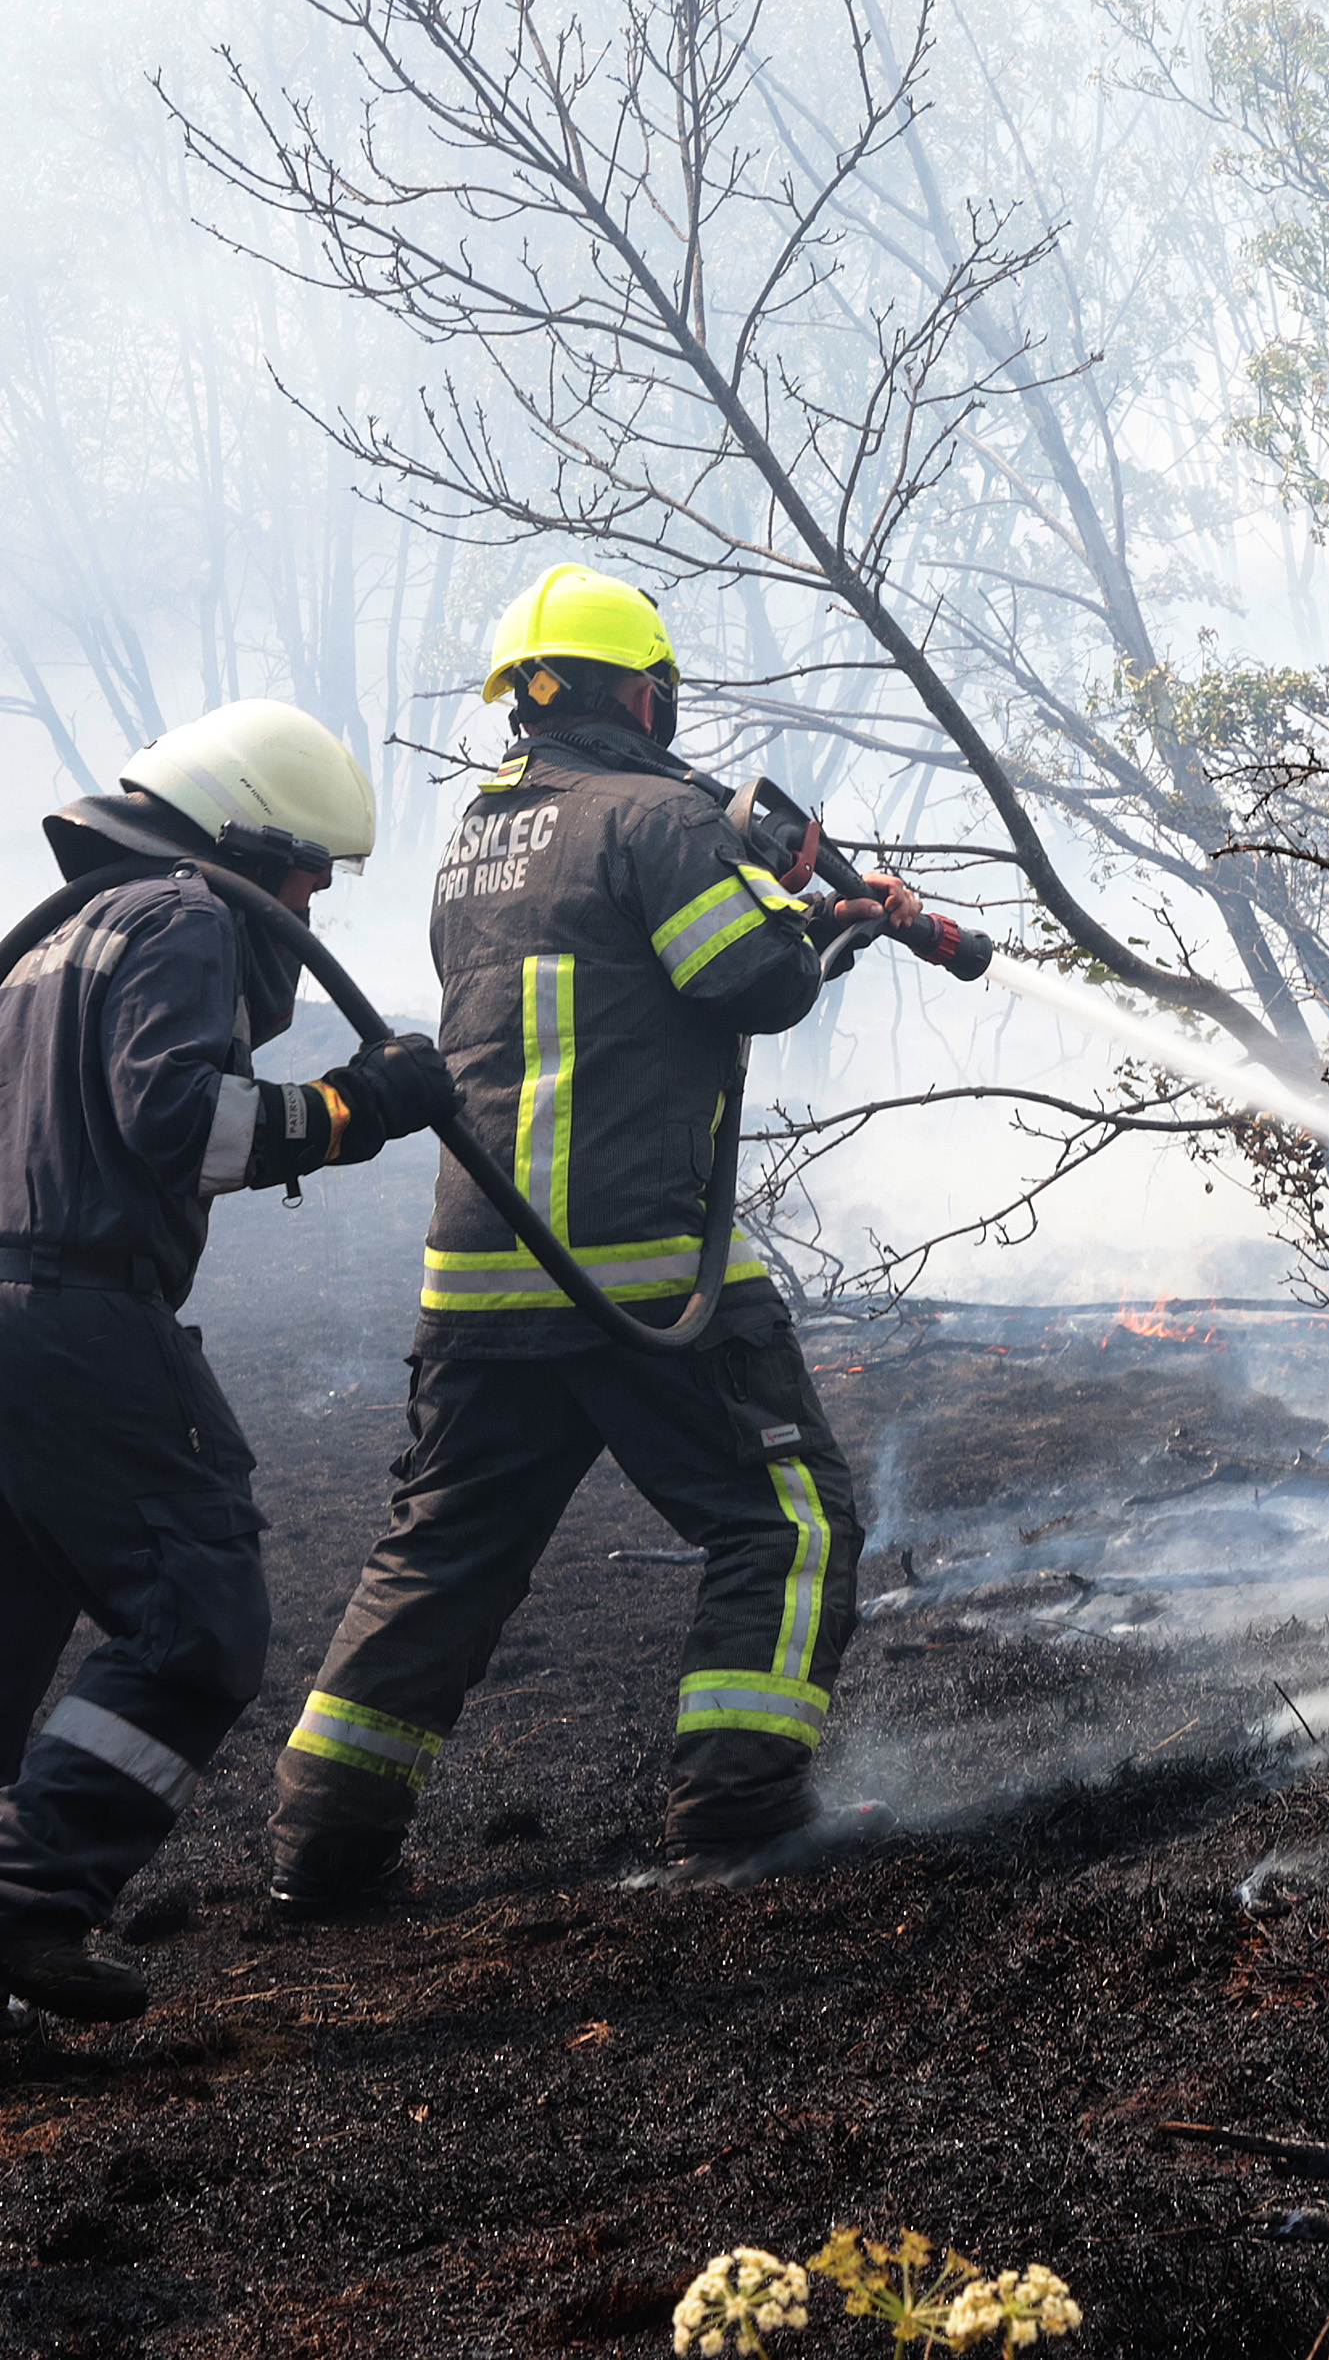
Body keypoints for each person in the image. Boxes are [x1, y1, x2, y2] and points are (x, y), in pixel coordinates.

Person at [266, 564, 914, 1908]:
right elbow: (747, 976)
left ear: (521, 702)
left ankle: (324, 1846)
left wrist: (798, 914)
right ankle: (738, 1806)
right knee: (788, 1520)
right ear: (647, 693)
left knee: (443, 1553)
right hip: (636, 1262)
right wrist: (821, 923)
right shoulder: (661, 816)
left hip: (480, 1268)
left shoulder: (477, 836)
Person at [0, 701, 457, 2069]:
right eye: (306, 868)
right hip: (64, 1311)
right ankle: (20, 1897)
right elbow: (185, 1122)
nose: (307, 903)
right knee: (195, 1615)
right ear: (246, 834)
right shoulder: (180, 916)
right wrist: (361, 1103)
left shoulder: (51, 940)